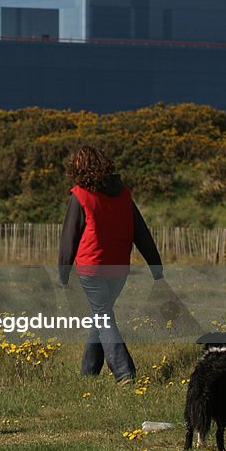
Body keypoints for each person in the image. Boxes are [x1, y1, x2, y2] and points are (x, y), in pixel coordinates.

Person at [58, 145, 163, 385]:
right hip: (119, 269)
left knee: (102, 316)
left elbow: (69, 238)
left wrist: (63, 273)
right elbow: (142, 232)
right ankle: (88, 374)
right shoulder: (124, 194)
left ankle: (124, 372)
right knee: (101, 315)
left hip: (92, 268)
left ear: (78, 169)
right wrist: (155, 265)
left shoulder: (81, 195)